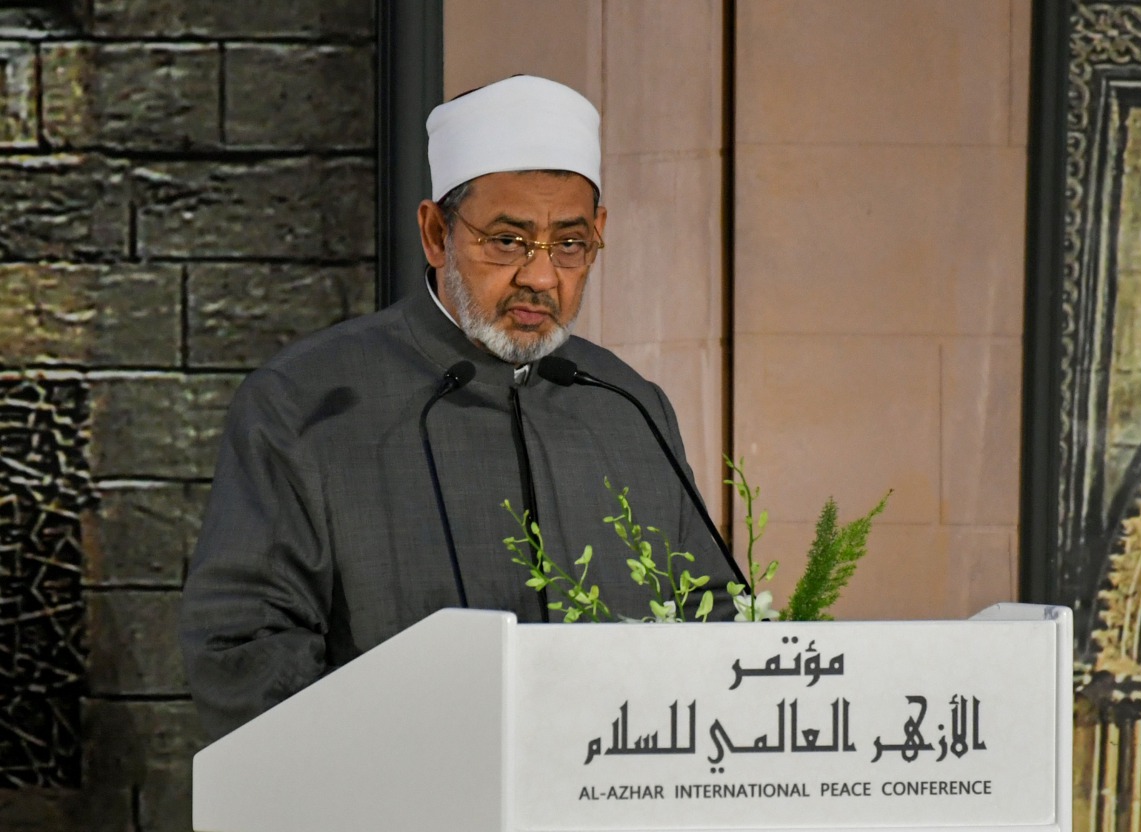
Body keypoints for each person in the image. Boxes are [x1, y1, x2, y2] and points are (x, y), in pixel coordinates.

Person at [179, 75, 739, 741]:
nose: (541, 276)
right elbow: (243, 648)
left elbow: (713, 619)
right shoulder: (307, 402)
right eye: (507, 241)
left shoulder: (629, 406)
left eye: (569, 243)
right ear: (436, 233)